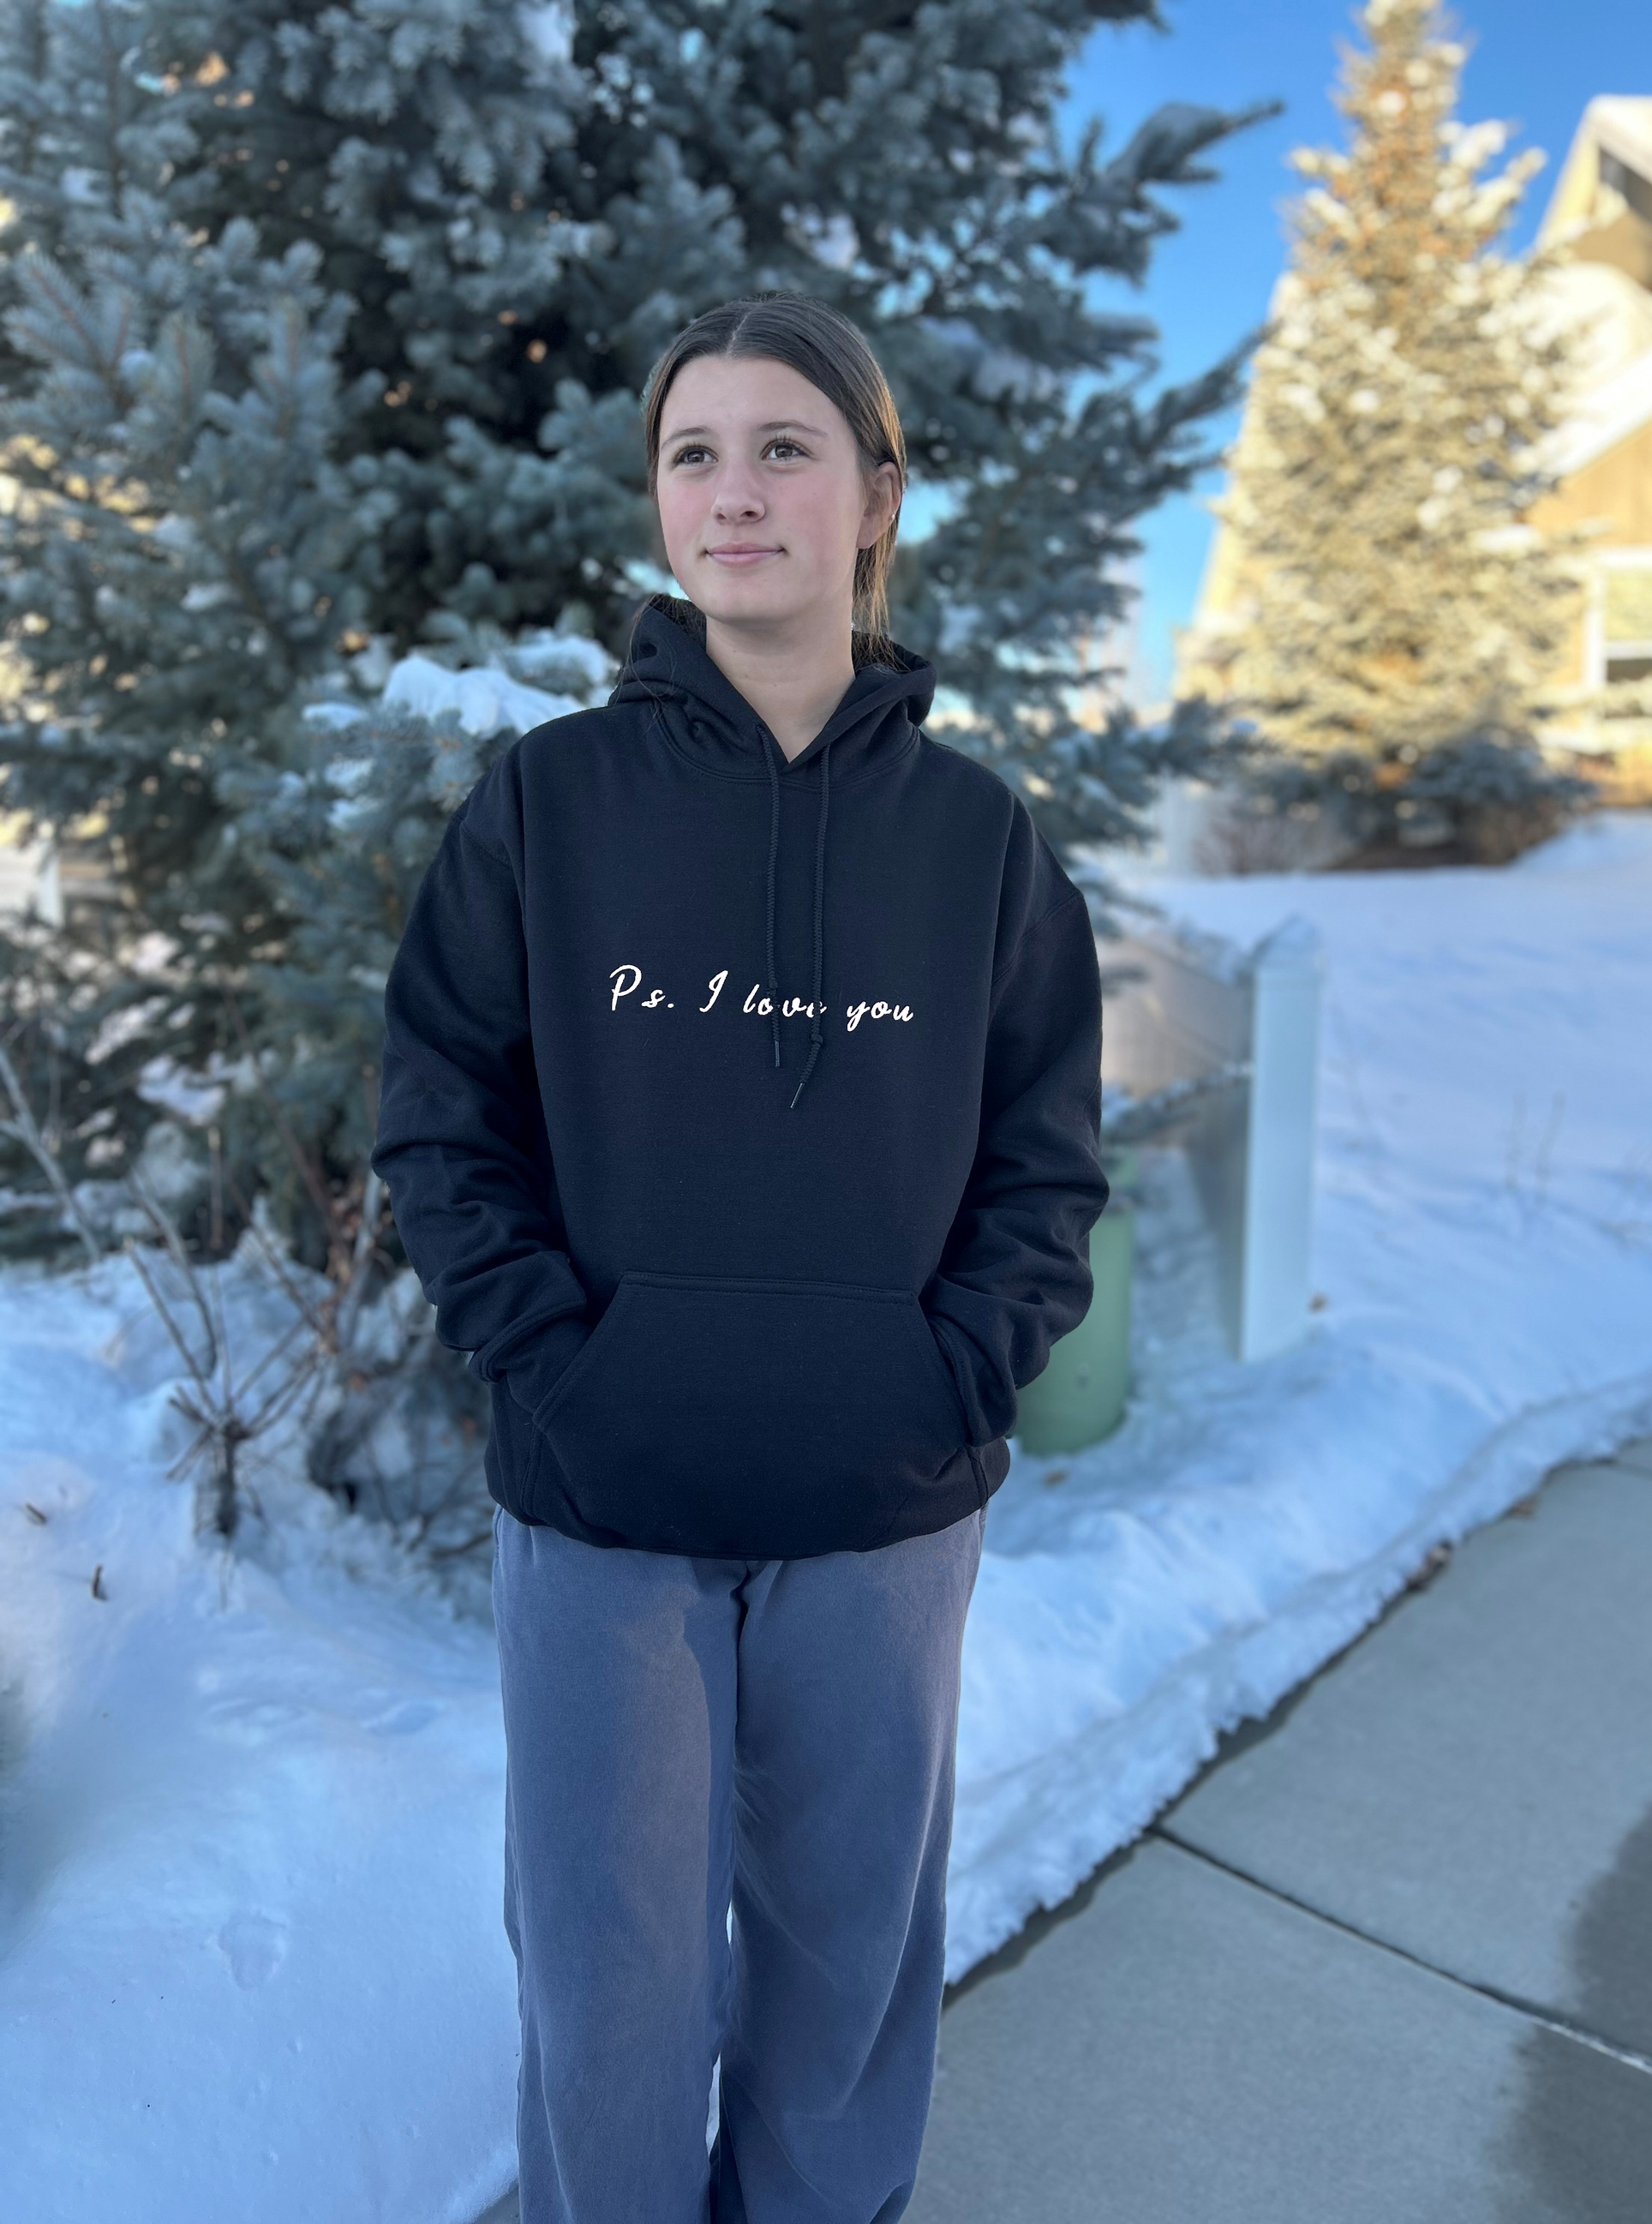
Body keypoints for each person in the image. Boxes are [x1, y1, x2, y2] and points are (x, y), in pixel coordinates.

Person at [369, 290, 1110, 2224]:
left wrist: (948, 1375)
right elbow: (442, 1116)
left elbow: (1046, 1162)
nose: (734, 492)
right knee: (606, 1973)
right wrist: (559, 1362)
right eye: (693, 452)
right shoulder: (545, 807)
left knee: (845, 1961)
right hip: (604, 1498)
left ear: (876, 494)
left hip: (885, 1507)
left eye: (785, 447)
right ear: (656, 502)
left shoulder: (979, 840)